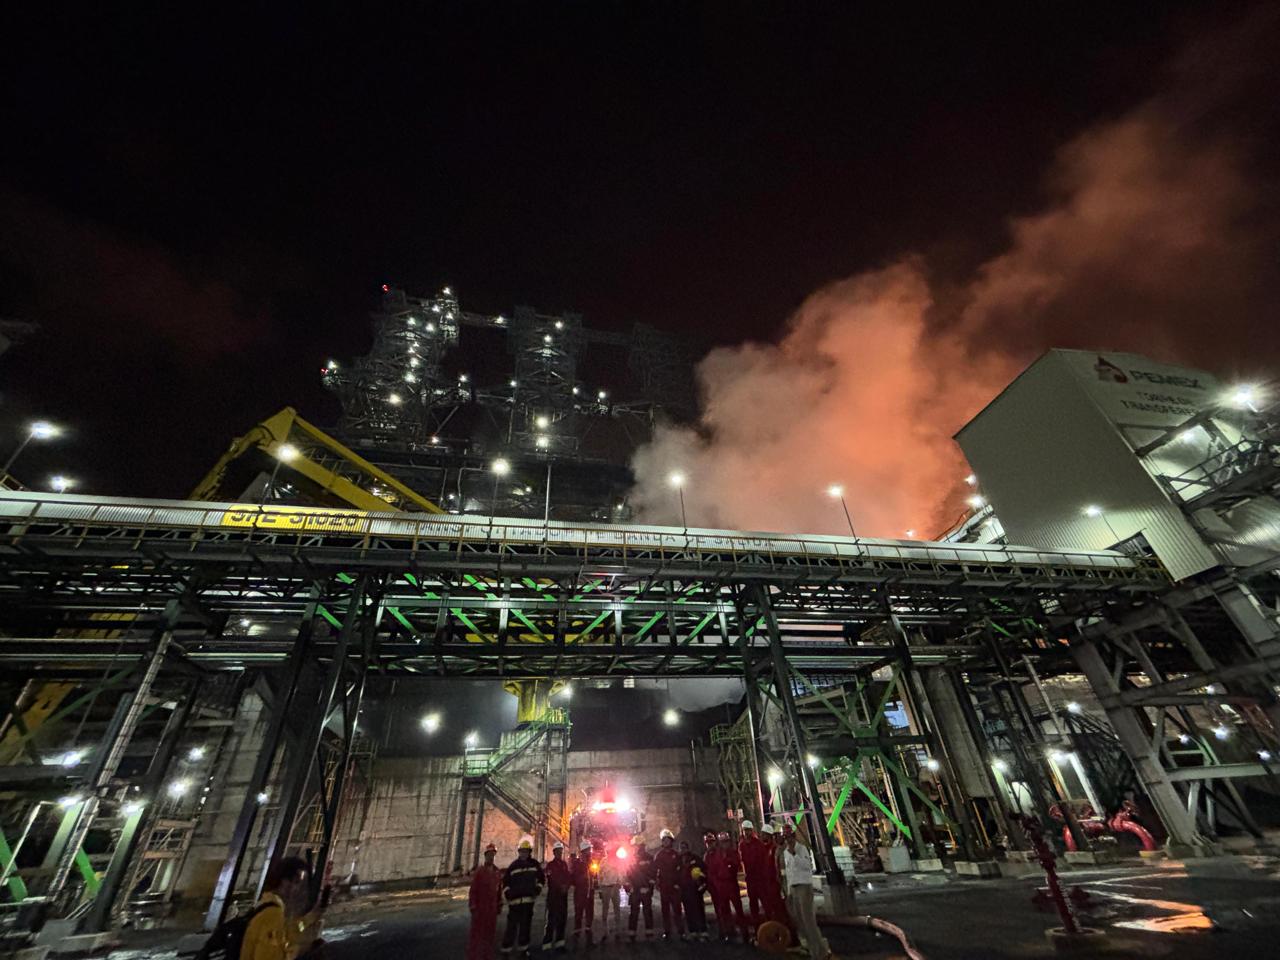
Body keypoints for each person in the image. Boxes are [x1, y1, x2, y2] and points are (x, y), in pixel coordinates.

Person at [240, 856, 326, 959]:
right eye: (297, 882)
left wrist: (310, 917)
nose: (300, 889)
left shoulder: (266, 903)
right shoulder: (273, 914)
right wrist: (300, 952)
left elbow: (288, 932)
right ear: (284, 882)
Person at [782, 828, 831, 960]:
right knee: (800, 922)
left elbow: (807, 866)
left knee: (809, 921)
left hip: (804, 886)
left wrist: (794, 854)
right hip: (794, 888)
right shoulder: (785, 852)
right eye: (786, 838)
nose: (788, 840)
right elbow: (789, 872)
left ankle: (820, 953)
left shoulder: (801, 849)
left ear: (794, 836)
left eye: (789, 837)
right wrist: (788, 892)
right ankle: (812, 948)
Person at [501, 837, 545, 957]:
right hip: (514, 902)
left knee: (525, 928)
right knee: (511, 929)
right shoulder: (513, 866)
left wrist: (537, 889)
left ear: (529, 852)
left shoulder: (534, 864)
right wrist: (507, 893)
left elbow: (542, 879)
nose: (523, 853)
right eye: (522, 851)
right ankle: (506, 951)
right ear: (519, 852)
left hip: (528, 902)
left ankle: (523, 950)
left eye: (526, 851)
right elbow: (506, 882)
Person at [705, 831, 749, 943]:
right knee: (724, 911)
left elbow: (736, 864)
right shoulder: (715, 854)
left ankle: (745, 934)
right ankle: (729, 932)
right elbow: (712, 871)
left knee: (738, 910)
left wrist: (728, 861)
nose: (725, 844)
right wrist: (715, 884)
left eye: (726, 841)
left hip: (732, 884)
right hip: (721, 886)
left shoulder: (733, 852)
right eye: (723, 842)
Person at [468, 843, 503, 960]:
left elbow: (499, 890)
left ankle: (487, 956)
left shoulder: (497, 872)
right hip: (480, 909)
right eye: (489, 855)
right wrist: (473, 907)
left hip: (492, 910)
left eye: (493, 854)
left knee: (490, 935)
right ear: (485, 856)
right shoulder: (480, 872)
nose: (491, 857)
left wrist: (499, 904)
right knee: (477, 936)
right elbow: (473, 890)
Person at [738, 819, 772, 933]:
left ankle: (770, 927)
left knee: (766, 903)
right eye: (744, 830)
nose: (746, 832)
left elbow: (764, 861)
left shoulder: (758, 844)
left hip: (760, 879)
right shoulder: (742, 845)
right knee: (753, 905)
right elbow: (743, 861)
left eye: (748, 830)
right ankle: (758, 929)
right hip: (750, 880)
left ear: (751, 830)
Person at [652, 828, 686, 940]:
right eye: (664, 840)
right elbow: (654, 870)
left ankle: (681, 931)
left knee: (677, 910)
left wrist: (678, 883)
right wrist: (656, 882)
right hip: (664, 887)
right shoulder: (659, 856)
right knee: (665, 911)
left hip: (675, 887)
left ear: (671, 841)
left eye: (668, 840)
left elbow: (681, 870)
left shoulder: (676, 855)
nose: (666, 842)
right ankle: (667, 931)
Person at [541, 841, 571, 952]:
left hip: (563, 897)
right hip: (553, 897)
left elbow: (568, 877)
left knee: (562, 919)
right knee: (551, 920)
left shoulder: (564, 865)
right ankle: (547, 944)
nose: (559, 853)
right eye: (558, 851)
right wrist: (561, 887)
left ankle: (560, 944)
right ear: (554, 852)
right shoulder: (550, 865)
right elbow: (552, 879)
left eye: (560, 851)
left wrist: (566, 886)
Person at [677, 841, 709, 942]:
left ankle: (703, 931)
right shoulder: (678, 861)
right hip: (685, 890)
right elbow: (675, 874)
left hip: (695, 889)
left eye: (685, 847)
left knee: (699, 910)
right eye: (681, 848)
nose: (683, 849)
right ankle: (693, 932)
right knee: (688, 911)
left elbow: (704, 870)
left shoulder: (695, 859)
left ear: (688, 848)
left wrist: (702, 884)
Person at [625, 834, 656, 942]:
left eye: (637, 846)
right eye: (634, 846)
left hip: (645, 890)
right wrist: (629, 888)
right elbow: (627, 875)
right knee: (634, 912)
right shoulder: (631, 859)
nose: (635, 848)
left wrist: (649, 888)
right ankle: (632, 934)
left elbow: (653, 874)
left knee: (647, 912)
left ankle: (649, 933)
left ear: (641, 846)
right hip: (635, 890)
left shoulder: (649, 858)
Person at [595, 842, 623, 943]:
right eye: (608, 851)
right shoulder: (603, 861)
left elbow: (621, 872)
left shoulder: (617, 861)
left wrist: (620, 883)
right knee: (605, 910)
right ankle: (605, 932)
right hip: (606, 887)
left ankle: (618, 931)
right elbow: (599, 874)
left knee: (617, 910)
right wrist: (600, 887)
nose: (609, 852)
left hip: (615, 887)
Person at [570, 840, 596, 947]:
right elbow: (572, 878)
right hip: (580, 893)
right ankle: (576, 938)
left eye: (590, 850)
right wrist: (581, 881)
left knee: (589, 915)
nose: (590, 852)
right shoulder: (577, 863)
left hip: (590, 893)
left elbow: (594, 877)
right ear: (583, 851)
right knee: (579, 915)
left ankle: (589, 939)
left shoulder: (591, 862)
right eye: (588, 850)